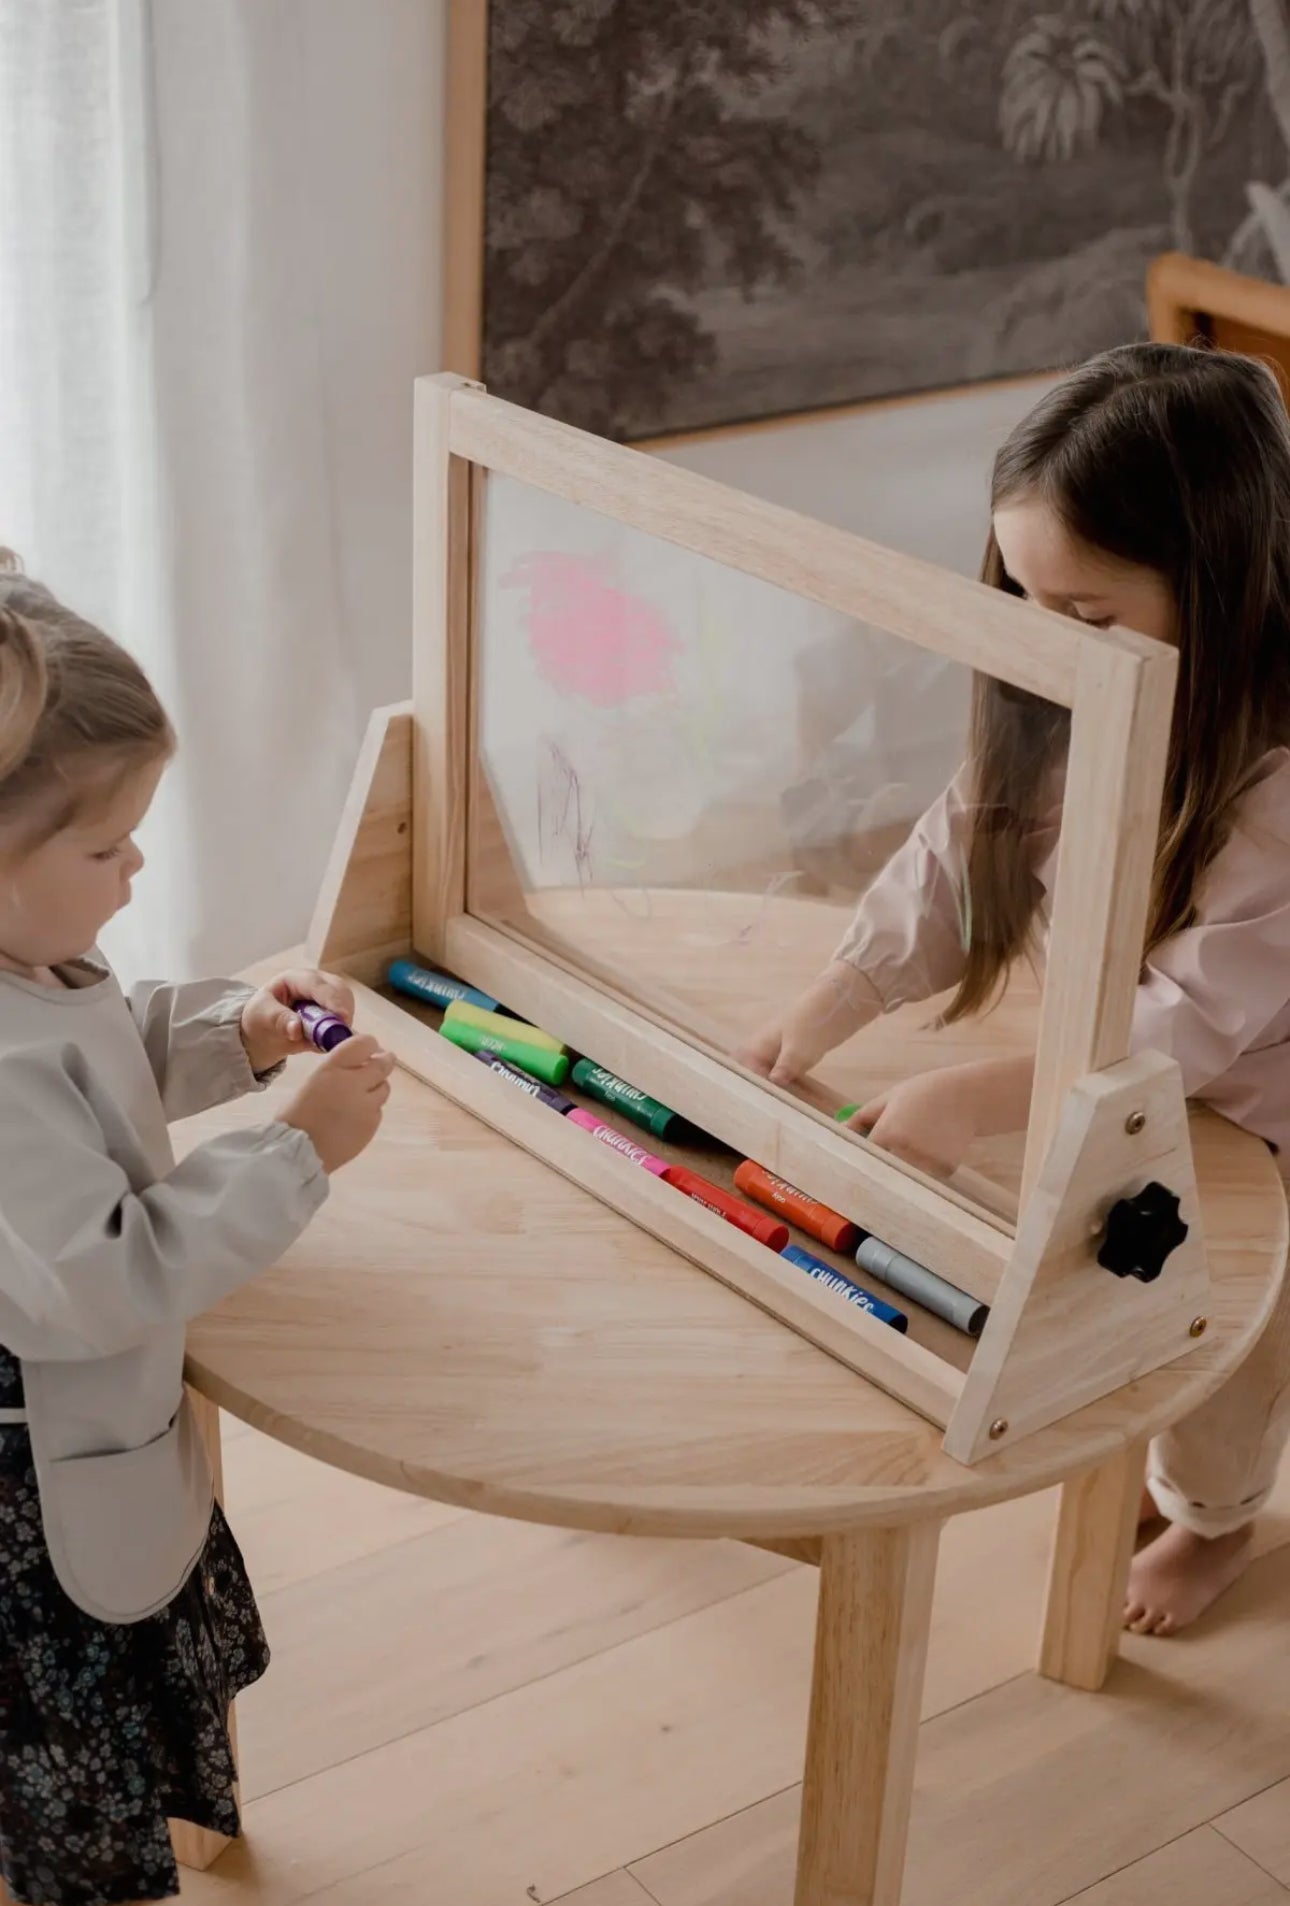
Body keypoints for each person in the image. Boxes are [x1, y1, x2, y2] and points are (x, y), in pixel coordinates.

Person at [744, 342, 1290, 1639]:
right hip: (1124, 1075)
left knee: (1227, 1349)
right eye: (1021, 601)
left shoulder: (1272, 781)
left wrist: (977, 1092)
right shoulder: (1060, 690)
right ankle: (1156, 1466)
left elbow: (1193, 1022)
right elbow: (957, 851)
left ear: (1210, 587)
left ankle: (1215, 1520)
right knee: (1115, 1290)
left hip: (1256, 1112)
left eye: (1086, 616)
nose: (1046, 644)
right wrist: (835, 1000)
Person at [0, 553, 394, 1904]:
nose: (138, 866)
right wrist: (295, 1150)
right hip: (31, 1493)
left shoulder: (30, 960)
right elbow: (100, 1275)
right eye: (107, 846)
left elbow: (100, 1057)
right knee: (56, 1780)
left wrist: (240, 1028)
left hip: (75, 1442)